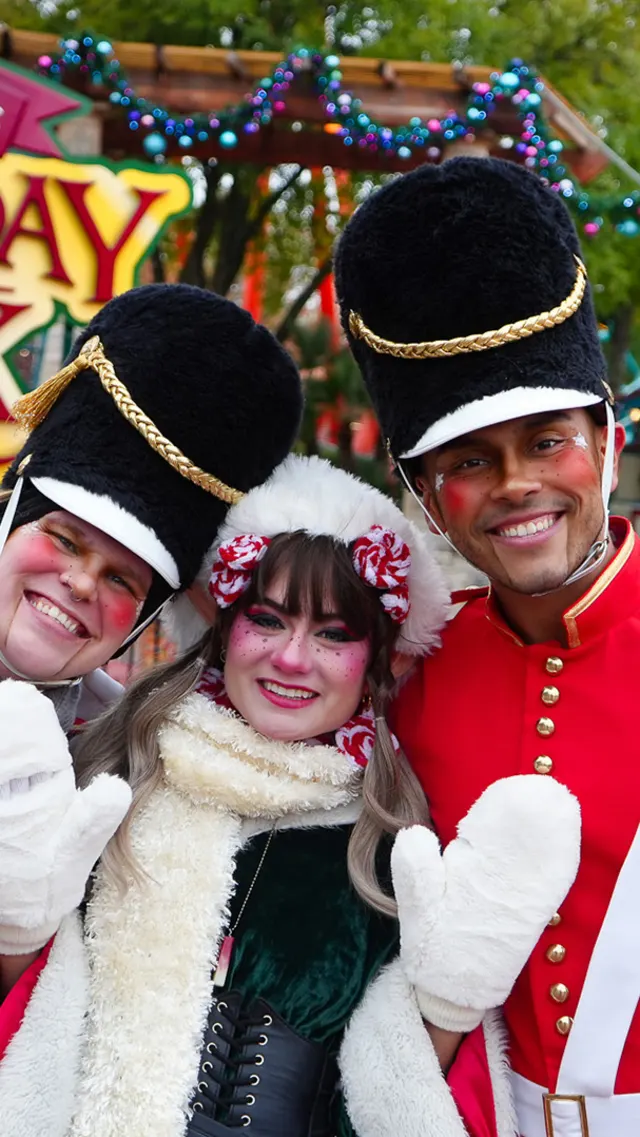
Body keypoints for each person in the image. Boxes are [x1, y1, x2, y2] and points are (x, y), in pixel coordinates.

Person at [0, 453, 580, 1137]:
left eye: (335, 633)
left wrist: (449, 1005)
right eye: (268, 619)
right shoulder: (102, 781)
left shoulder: (396, 856)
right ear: (225, 627)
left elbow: (405, 1098)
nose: (293, 658)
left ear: (378, 660)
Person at [334, 155, 634, 1137]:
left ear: (608, 439)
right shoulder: (408, 679)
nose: (513, 485)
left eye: (547, 440)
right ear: (425, 497)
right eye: (467, 460)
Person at [0, 283, 303, 1105]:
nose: (77, 583)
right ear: (11, 513)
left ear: (143, 620)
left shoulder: (130, 756)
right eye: (61, 538)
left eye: (121, 578)